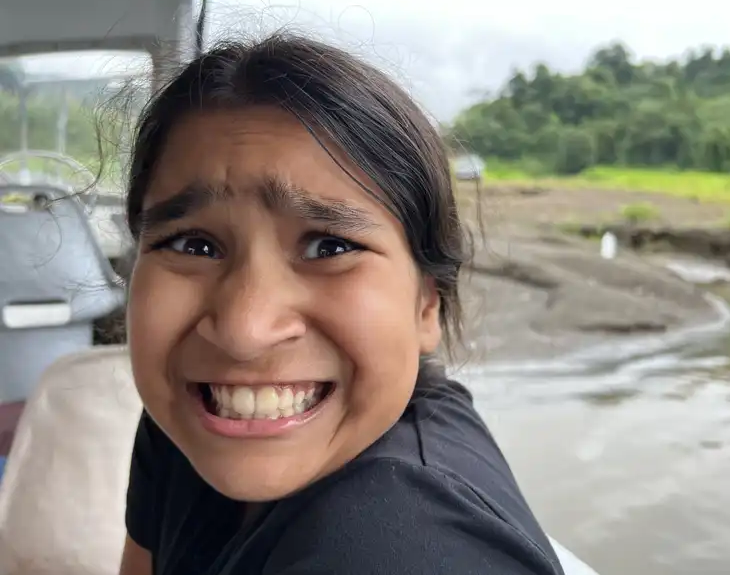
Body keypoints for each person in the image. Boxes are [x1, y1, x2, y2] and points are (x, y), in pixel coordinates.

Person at [119, 32, 564, 575]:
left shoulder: (402, 545)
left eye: (330, 246)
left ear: (427, 303)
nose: (243, 330)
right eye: (195, 245)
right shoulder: (192, 416)